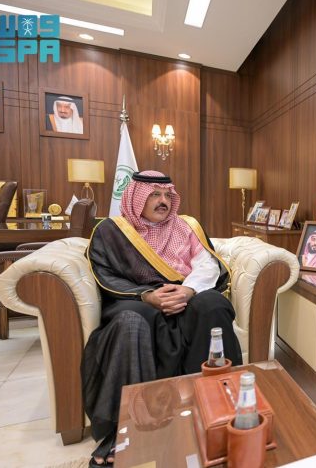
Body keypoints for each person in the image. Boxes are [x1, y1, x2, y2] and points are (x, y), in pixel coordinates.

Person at [81, 170, 242, 467]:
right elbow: (105, 273)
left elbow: (207, 265)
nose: (163, 200)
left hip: (185, 292)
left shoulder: (186, 226)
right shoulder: (111, 230)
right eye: (154, 194)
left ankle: (219, 410)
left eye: (168, 195)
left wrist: (188, 290)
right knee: (131, 322)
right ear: (136, 197)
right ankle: (124, 428)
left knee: (213, 305)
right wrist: (146, 295)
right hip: (135, 300)